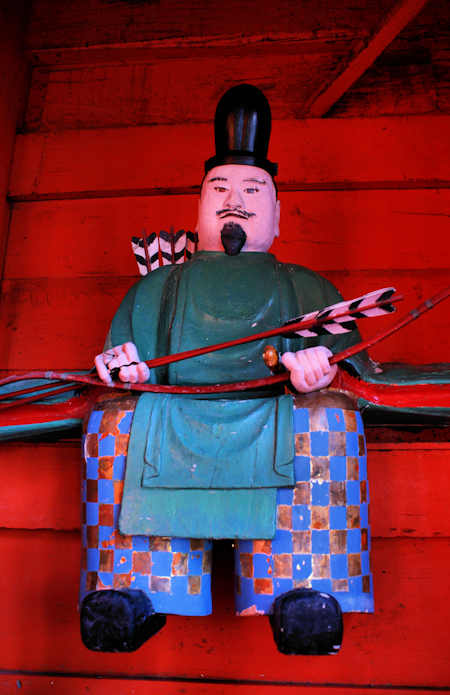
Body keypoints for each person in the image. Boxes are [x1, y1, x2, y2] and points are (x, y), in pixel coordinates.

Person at [81, 85, 373, 655]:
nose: (234, 201)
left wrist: (319, 373)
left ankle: (300, 586)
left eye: (252, 190)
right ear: (198, 205)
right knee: (114, 424)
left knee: (327, 422)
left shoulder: (306, 286)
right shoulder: (159, 287)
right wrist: (128, 371)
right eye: (219, 188)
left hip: (276, 415)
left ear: (277, 214)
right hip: (172, 415)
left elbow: (350, 366)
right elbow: (121, 361)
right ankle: (134, 587)